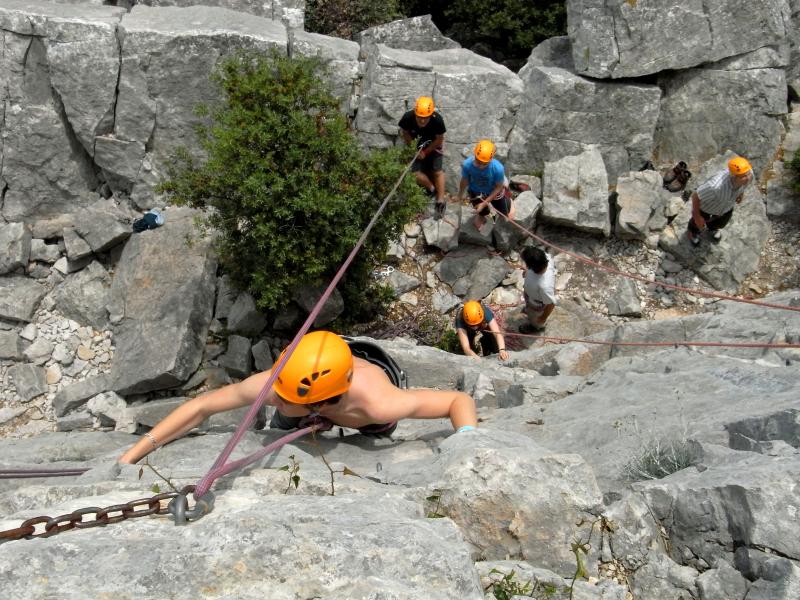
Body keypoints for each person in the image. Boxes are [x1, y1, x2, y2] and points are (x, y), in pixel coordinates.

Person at [118, 331, 477, 464]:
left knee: (380, 431)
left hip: (364, 405)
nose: (272, 395)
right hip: (326, 375)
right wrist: (136, 452)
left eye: (284, 396)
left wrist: (468, 444)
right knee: (282, 424)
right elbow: (202, 407)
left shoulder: (379, 403)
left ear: (317, 404)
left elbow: (456, 402)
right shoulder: (280, 384)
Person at [686, 156, 753, 247]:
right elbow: (696, 196)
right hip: (707, 208)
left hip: (726, 207)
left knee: (721, 223)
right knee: (696, 223)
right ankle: (693, 232)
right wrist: (697, 216)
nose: (748, 178)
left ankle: (712, 228)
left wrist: (740, 194)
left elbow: (744, 185)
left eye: (748, 174)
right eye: (744, 176)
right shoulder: (715, 187)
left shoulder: (749, 175)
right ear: (733, 176)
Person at [398, 96, 447, 214]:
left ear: (430, 115)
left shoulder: (437, 120)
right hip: (416, 147)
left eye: (425, 118)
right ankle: (432, 188)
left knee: (437, 172)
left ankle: (440, 200)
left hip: (433, 146)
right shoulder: (408, 118)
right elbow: (405, 133)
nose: (422, 120)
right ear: (415, 114)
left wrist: (425, 152)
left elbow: (439, 140)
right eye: (420, 117)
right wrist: (415, 150)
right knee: (413, 173)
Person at [457, 139, 515, 230]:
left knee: (506, 215)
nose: (480, 166)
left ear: (491, 160)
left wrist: (484, 203)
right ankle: (482, 214)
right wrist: (459, 195)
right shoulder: (467, 165)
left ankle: (509, 202)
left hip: (495, 191)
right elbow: (465, 180)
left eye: (484, 164)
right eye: (478, 161)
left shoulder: (498, 168)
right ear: (475, 155)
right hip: (476, 192)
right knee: (480, 213)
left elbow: (498, 187)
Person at [519, 246, 556, 333]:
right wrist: (527, 272)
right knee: (529, 306)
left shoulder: (544, 286)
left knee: (535, 316)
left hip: (537, 302)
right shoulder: (545, 258)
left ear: (532, 267)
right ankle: (528, 308)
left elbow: (551, 304)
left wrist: (542, 318)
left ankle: (535, 326)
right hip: (531, 294)